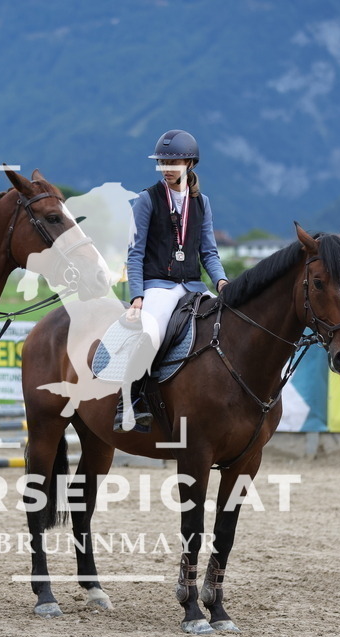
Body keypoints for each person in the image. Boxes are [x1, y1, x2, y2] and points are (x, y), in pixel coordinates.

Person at [118, 129, 229, 432]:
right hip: (158, 286)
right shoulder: (146, 200)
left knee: (223, 327)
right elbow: (135, 253)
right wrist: (137, 295)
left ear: (190, 163)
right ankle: (130, 401)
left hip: (194, 286)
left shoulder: (202, 203)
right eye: (163, 162)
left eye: (174, 161)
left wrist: (221, 282)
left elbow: (209, 251)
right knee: (151, 333)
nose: (167, 168)